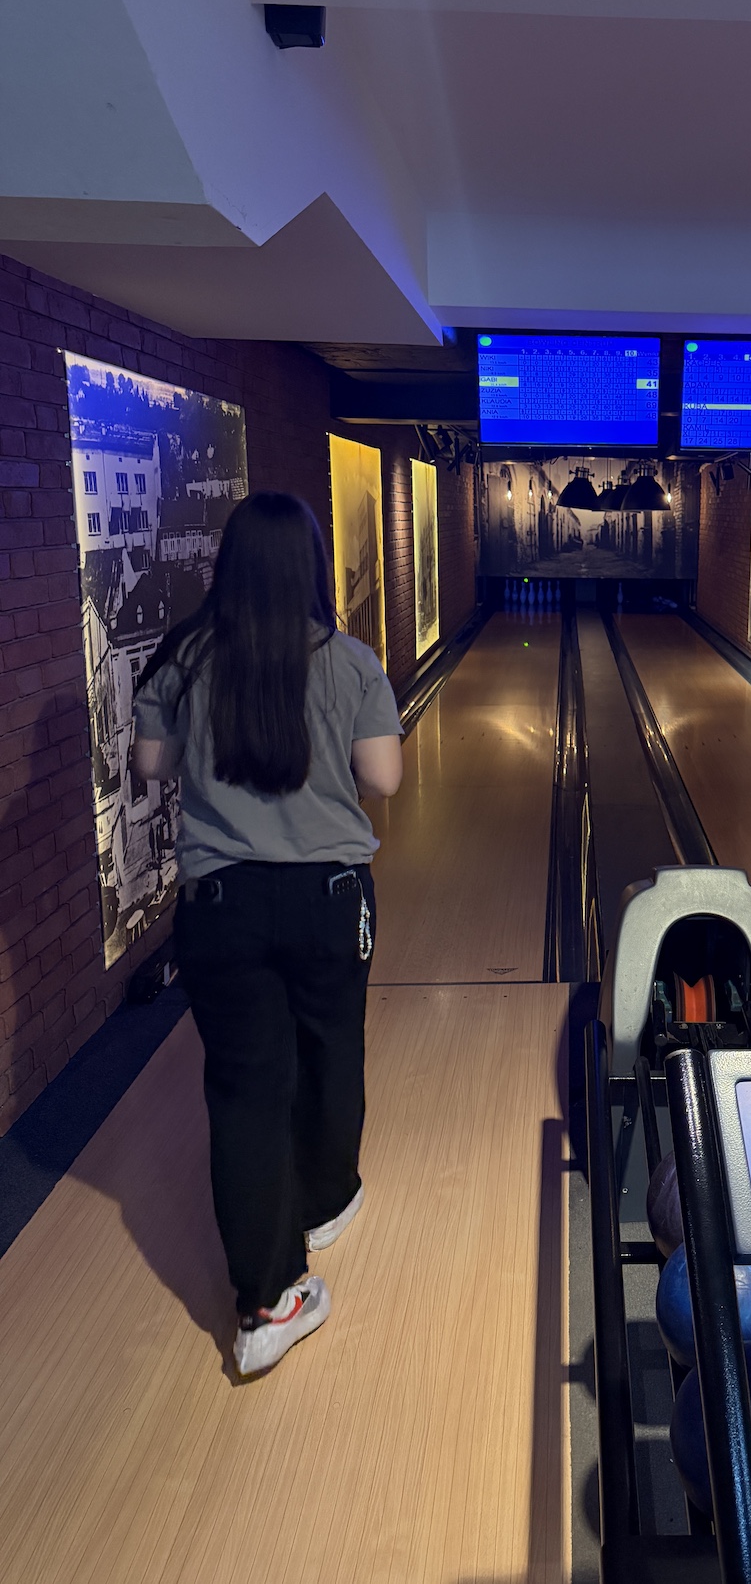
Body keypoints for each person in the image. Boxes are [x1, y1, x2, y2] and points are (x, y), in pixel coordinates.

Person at [131, 492, 403, 1376]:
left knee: (245, 1090)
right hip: (328, 897)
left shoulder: (185, 657)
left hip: (222, 905)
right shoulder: (350, 663)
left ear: (231, 568)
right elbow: (384, 778)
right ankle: (324, 1202)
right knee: (332, 1047)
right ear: (312, 570)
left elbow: (150, 765)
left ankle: (266, 1303)